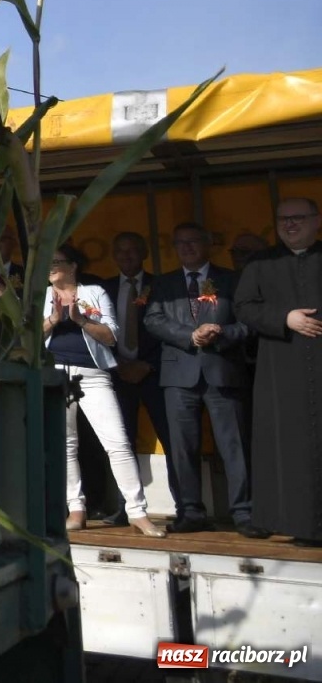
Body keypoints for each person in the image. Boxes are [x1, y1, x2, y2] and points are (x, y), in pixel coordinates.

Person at [143, 222, 263, 537]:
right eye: (180, 242)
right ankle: (190, 512)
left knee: (234, 445)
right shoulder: (164, 283)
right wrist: (190, 336)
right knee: (182, 448)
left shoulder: (232, 279)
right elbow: (153, 320)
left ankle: (245, 513)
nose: (186, 247)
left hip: (223, 370)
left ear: (208, 243)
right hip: (178, 376)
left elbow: (249, 323)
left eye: (193, 241)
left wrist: (222, 333)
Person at [44, 242, 165, 537]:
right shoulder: (41, 296)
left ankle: (137, 512)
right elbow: (27, 335)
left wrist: (80, 320)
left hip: (93, 375)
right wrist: (53, 320)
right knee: (66, 445)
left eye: (56, 262)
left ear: (73, 266)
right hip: (54, 374)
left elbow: (112, 336)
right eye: (47, 263)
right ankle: (76, 509)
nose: (50, 268)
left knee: (117, 442)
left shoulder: (94, 292)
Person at [233, 197, 322, 547]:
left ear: (316, 221)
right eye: (283, 219)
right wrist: (285, 318)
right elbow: (243, 306)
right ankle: (300, 525)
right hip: (282, 367)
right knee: (291, 447)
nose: (290, 224)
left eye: (298, 217)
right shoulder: (261, 262)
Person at [98, 230, 176, 519]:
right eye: (120, 250)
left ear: (144, 253)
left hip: (156, 374)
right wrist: (116, 363)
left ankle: (186, 507)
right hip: (117, 376)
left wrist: (148, 364)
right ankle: (124, 508)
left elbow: (171, 329)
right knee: (121, 443)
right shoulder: (102, 288)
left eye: (132, 250)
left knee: (173, 440)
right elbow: (97, 333)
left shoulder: (162, 285)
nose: (126, 255)